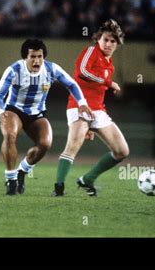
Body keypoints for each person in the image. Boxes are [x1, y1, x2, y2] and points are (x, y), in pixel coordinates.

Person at [0, 39, 93, 195]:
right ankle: (10, 179)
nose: (36, 60)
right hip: (14, 110)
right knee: (9, 135)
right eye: (32, 56)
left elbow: (71, 84)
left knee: (45, 144)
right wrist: (0, 113)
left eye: (39, 56)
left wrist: (82, 103)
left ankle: (22, 172)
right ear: (25, 57)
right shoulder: (14, 70)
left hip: (37, 114)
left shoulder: (51, 69)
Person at [52, 19, 130, 197]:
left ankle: (88, 179)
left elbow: (98, 93)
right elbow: (82, 72)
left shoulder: (109, 65)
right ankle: (58, 188)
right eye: (106, 39)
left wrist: (93, 123)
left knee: (122, 151)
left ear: (117, 44)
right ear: (98, 39)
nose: (109, 44)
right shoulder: (91, 51)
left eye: (113, 41)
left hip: (98, 111)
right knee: (72, 147)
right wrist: (109, 83)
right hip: (80, 106)